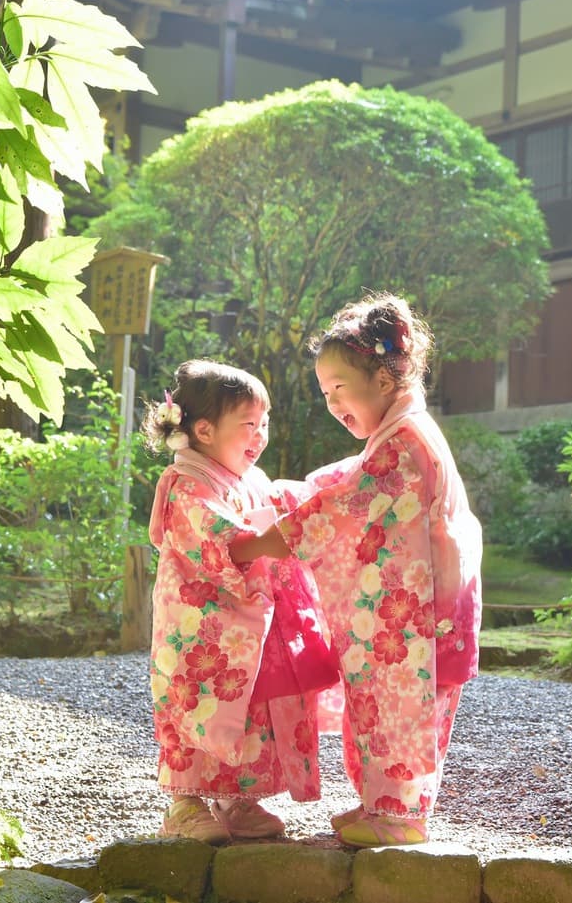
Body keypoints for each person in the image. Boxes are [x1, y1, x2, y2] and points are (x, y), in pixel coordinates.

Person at [229, 294, 483, 848]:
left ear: (385, 381)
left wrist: (259, 543)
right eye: (325, 393)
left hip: (416, 616)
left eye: (340, 388)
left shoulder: (404, 442)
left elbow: (342, 504)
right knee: (381, 704)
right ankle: (380, 804)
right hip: (413, 610)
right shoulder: (401, 435)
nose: (332, 402)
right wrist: (294, 492)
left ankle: (399, 816)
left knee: (398, 708)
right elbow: (344, 481)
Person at [144, 359, 336, 843]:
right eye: (248, 424)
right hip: (199, 625)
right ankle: (184, 804)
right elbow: (222, 538)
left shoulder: (243, 476)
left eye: (264, 423)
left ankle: (236, 799)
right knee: (197, 702)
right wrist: (278, 538)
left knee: (247, 706)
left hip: (244, 617)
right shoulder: (186, 483)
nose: (260, 435)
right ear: (204, 430)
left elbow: (273, 503)